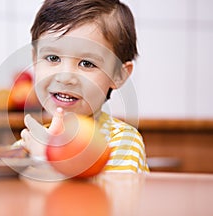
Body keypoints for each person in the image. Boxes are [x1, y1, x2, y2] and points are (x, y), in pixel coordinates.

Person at [16, 0, 149, 174]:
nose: (65, 77)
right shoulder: (28, 143)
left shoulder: (122, 142)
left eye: (87, 63)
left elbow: (112, 199)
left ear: (118, 75)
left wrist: (45, 159)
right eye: (53, 58)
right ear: (35, 59)